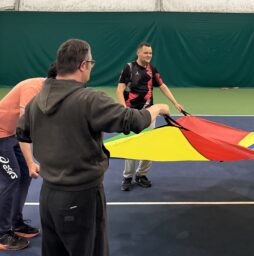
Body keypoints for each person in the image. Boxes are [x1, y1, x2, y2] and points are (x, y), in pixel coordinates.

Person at [17, 38, 170, 256]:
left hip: (48, 194)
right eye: (91, 62)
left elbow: (23, 132)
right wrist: (157, 108)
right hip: (81, 196)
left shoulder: (36, 101)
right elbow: (132, 121)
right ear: (82, 65)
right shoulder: (89, 99)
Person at [0, 64, 56, 251]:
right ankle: (2, 233)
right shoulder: (33, 88)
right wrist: (31, 162)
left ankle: (15, 222)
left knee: (24, 176)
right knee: (12, 178)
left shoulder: (50, 94)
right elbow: (24, 128)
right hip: (1, 134)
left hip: (11, 134)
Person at [116, 41, 184, 191]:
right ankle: (127, 177)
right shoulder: (129, 68)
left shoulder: (152, 70)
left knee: (148, 146)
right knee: (131, 146)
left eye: (150, 53)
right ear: (138, 53)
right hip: (131, 114)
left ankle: (141, 174)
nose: (148, 55)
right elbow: (119, 90)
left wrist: (175, 103)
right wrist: (123, 110)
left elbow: (163, 86)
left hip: (149, 114)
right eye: (146, 53)